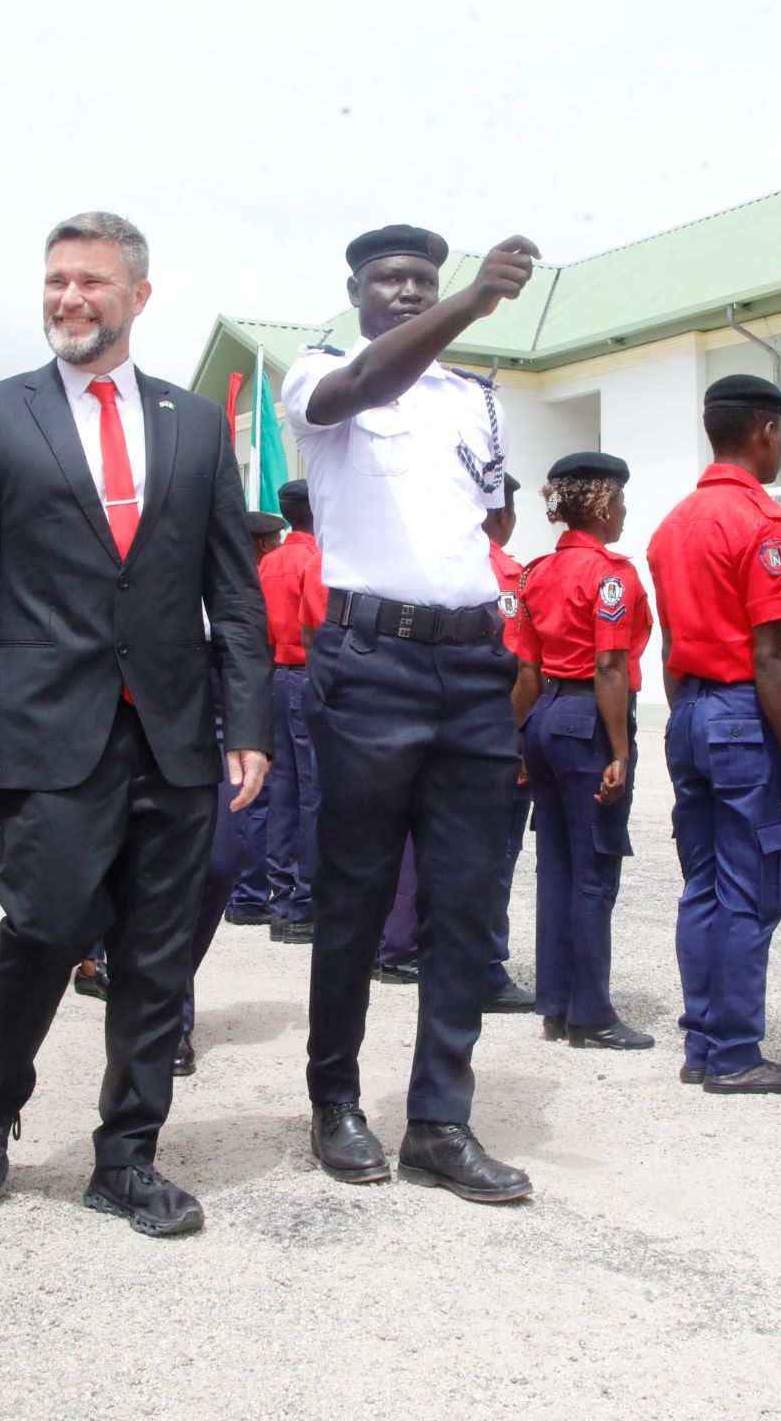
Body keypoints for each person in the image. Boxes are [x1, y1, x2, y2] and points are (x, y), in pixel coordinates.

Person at [0, 211, 269, 1240]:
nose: (68, 299)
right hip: (46, 726)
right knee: (42, 925)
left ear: (138, 296)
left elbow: (233, 587)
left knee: (158, 949)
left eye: (90, 282)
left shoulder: (194, 423)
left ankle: (126, 1156)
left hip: (170, 730)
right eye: (55, 281)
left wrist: (246, 717)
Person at [281, 222, 539, 1203]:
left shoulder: (475, 397)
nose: (406, 290)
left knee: (466, 905)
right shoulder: (321, 372)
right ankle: (334, 1101)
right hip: (371, 664)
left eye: (421, 280)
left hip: (471, 661)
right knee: (354, 896)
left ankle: (439, 1121)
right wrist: (468, 303)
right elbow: (362, 391)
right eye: (389, 280)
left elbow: (478, 520)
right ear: (355, 292)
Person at [646, 373, 781, 1094]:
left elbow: (666, 647)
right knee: (751, 887)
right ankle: (735, 1052)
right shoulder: (758, 525)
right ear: (765, 432)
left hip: (688, 709)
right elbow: (772, 653)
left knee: (705, 887)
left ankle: (702, 1040)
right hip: (742, 714)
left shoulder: (671, 523)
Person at [511, 451, 654, 1048]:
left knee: (557, 868)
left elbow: (526, 670)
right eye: (618, 500)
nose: (623, 512)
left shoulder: (536, 572)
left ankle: (558, 1002)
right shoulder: (612, 574)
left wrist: (521, 742)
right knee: (594, 870)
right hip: (588, 720)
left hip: (545, 716)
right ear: (599, 504)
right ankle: (591, 1014)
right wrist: (618, 751)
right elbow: (610, 664)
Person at [255, 479, 325, 944]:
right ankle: (304, 901)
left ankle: (281, 897)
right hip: (307, 675)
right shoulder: (316, 561)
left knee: (282, 789)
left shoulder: (270, 561)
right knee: (314, 792)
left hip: (276, 676)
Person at [481, 475, 537, 1014]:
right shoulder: (507, 575)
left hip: (443, 728)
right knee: (496, 854)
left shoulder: (439, 565)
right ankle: (486, 967)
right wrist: (513, 740)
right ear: (504, 517)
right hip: (493, 734)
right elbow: (523, 670)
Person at [225, 510, 291, 923]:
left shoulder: (232, 578)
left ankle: (243, 892)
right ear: (264, 543)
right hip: (268, 682)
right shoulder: (256, 577)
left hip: (248, 684)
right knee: (262, 795)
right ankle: (250, 891)